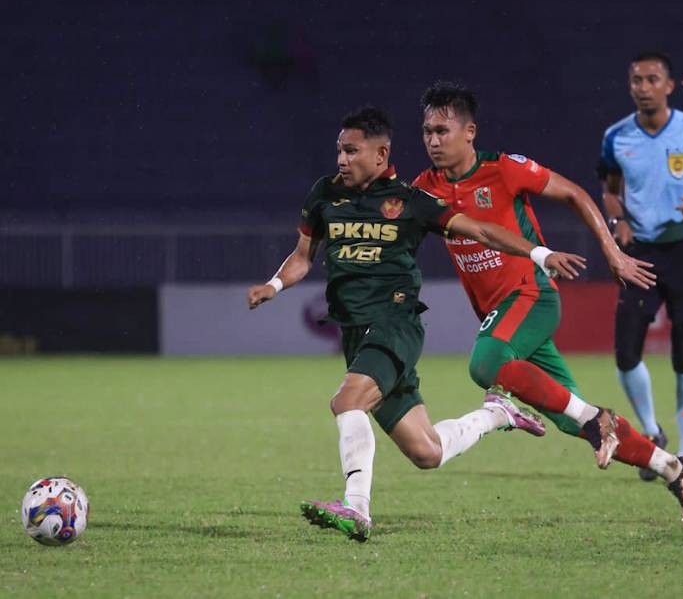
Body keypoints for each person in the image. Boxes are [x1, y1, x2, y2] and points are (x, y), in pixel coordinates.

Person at [247, 106, 589, 542]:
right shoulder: (324, 196)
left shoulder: (411, 202)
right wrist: (274, 285)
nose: (341, 160)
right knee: (426, 451)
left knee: (347, 401)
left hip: (394, 324)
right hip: (356, 334)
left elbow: (480, 231)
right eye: (339, 150)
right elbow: (302, 257)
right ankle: (496, 415)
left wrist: (540, 254)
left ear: (380, 153)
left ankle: (356, 508)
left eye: (351, 151)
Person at [413, 81, 683, 523]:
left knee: (484, 363)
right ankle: (675, 469)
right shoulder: (425, 190)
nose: (433, 141)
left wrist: (612, 252)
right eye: (427, 132)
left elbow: (575, 193)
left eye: (442, 130)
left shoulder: (505, 169)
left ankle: (597, 419)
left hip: (531, 295)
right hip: (504, 317)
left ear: (469, 132)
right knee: (573, 416)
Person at [598, 51, 683, 480]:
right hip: (641, 255)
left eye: (652, 79)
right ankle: (653, 431)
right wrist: (617, 222)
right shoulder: (616, 137)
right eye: (636, 79)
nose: (643, 87)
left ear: (669, 85)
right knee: (625, 354)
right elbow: (611, 190)